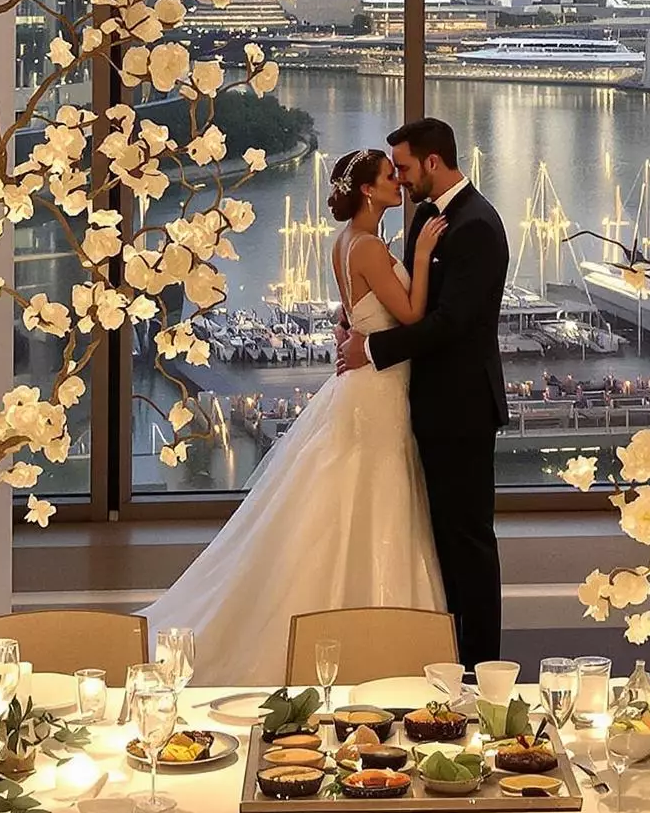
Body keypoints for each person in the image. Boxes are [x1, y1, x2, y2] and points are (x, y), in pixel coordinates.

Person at [144, 147, 447, 684]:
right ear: (369, 190)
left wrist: (354, 330)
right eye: (388, 177)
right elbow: (413, 314)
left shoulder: (343, 243)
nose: (398, 184)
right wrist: (421, 257)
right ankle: (371, 635)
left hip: (363, 384)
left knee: (350, 496)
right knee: (376, 495)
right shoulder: (372, 246)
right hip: (377, 390)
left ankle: (354, 620)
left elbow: (349, 310)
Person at [338, 116, 508, 665]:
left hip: (462, 409)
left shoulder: (477, 224)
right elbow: (404, 305)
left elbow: (453, 321)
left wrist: (372, 350)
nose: (403, 179)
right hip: (422, 407)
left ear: (433, 162)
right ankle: (446, 654)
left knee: (468, 543)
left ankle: (482, 667)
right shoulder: (426, 222)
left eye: (406, 168)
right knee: (439, 545)